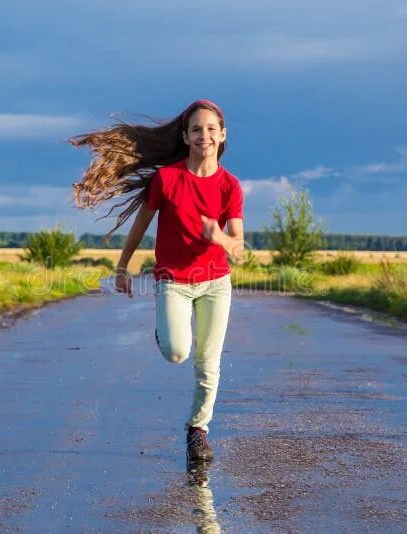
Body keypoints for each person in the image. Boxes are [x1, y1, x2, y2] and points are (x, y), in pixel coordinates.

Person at [71, 99, 245, 462]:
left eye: (211, 129)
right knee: (177, 352)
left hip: (215, 282)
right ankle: (165, 330)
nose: (204, 136)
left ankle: (198, 431)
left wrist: (221, 238)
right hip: (174, 281)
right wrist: (122, 267)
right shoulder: (168, 179)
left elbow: (239, 249)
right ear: (185, 136)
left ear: (222, 135)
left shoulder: (230, 186)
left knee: (208, 363)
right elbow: (140, 225)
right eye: (197, 129)